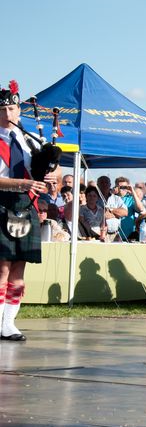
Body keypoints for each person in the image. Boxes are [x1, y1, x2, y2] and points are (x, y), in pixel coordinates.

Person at [0, 80, 59, 341]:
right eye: (2, 111)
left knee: (19, 270)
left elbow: (41, 171)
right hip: (1, 204)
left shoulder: (26, 140)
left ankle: (9, 324)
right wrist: (22, 183)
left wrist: (48, 176)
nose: (7, 115)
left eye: (12, 109)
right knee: (2, 269)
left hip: (26, 207)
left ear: (19, 111)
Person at [97, 175, 127, 241]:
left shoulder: (116, 198)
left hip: (115, 235)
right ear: (97, 185)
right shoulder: (94, 198)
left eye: (106, 182)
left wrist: (111, 210)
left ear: (110, 184)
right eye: (102, 182)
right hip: (99, 235)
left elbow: (125, 212)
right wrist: (115, 215)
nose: (104, 184)